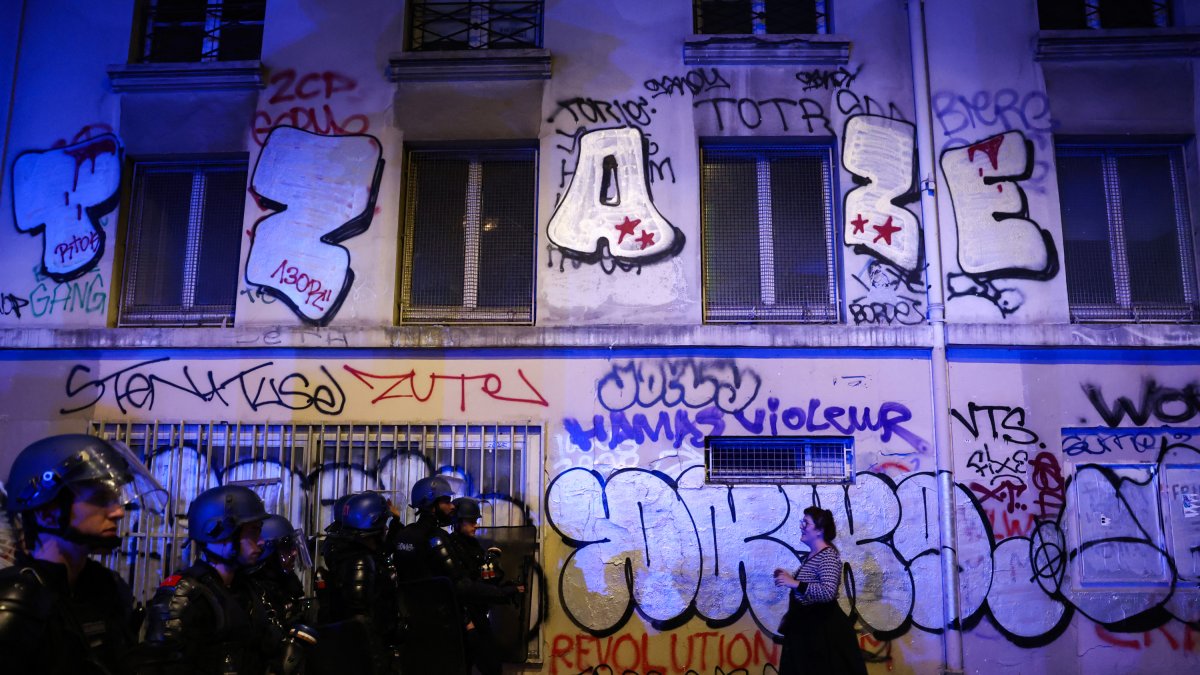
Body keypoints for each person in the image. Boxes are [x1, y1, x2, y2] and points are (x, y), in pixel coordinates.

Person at [0, 433, 166, 674]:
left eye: (116, 499)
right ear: (46, 513)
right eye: (101, 499)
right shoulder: (16, 600)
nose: (118, 512)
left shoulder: (106, 587)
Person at [135, 484, 276, 674]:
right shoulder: (184, 595)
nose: (261, 541)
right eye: (253, 531)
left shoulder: (245, 588)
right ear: (219, 532)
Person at [773, 506, 867, 675]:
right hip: (809, 633)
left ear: (819, 530)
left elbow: (828, 591)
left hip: (823, 637)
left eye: (806, 523)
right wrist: (789, 578)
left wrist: (795, 583)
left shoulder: (828, 555)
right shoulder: (813, 555)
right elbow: (808, 586)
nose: (801, 526)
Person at [316, 490, 401, 674]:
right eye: (383, 524)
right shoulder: (361, 561)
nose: (385, 529)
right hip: (368, 655)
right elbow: (360, 620)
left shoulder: (349, 553)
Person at [448, 497, 524, 675]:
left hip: (478, 613)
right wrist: (501, 592)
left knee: (490, 665)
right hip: (465, 618)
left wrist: (494, 572)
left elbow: (481, 579)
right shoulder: (452, 546)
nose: (476, 525)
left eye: (476, 521)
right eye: (471, 521)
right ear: (458, 522)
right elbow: (462, 586)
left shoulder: (472, 544)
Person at [247, 514, 316, 674]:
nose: (293, 553)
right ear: (268, 553)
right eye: (286, 548)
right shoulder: (254, 591)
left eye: (293, 546)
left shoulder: (286, 585)